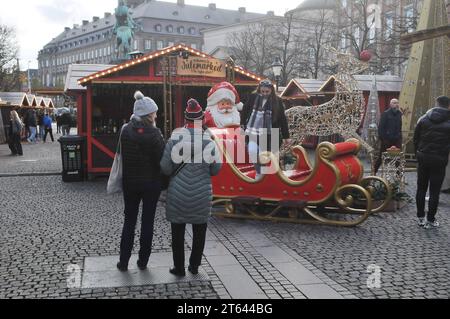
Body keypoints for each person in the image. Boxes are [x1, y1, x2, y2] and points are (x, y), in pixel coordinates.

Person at [160, 99, 222, 277]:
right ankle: (194, 266)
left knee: (177, 232)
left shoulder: (174, 139)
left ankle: (178, 268)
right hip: (202, 194)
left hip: (177, 194)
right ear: (201, 119)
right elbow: (216, 169)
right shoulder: (209, 142)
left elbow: (165, 168)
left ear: (185, 119)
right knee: (199, 231)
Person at [116, 91, 165, 272]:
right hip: (151, 184)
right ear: (149, 115)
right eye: (154, 113)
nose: (156, 115)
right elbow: (163, 160)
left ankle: (123, 261)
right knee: (147, 222)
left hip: (130, 183)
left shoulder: (125, 131)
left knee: (129, 221)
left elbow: (121, 155)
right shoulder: (155, 134)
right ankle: (143, 261)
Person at [241, 79, 291, 179]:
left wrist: (286, 136)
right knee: (252, 151)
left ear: (271, 90)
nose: (264, 94)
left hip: (272, 134)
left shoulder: (277, 101)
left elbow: (282, 119)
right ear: (259, 90)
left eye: (267, 92)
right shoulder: (253, 97)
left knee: (269, 158)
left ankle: (272, 177)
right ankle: (259, 172)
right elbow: (245, 110)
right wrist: (242, 124)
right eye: (262, 91)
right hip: (254, 132)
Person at [413, 96, 450, 229]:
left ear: (436, 104)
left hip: (423, 157)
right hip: (439, 160)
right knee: (434, 191)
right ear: (448, 106)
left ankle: (420, 217)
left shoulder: (423, 119)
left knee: (421, 188)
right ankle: (431, 219)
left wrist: (419, 153)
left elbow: (415, 139)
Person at [374, 99, 403, 174]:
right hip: (387, 139)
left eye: (397, 103)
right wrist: (384, 139)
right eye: (394, 103)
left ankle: (399, 176)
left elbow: (400, 126)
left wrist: (400, 136)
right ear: (390, 104)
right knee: (381, 157)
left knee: (398, 158)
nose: (396, 104)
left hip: (396, 139)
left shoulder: (399, 113)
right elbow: (381, 128)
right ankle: (373, 172)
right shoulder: (385, 114)